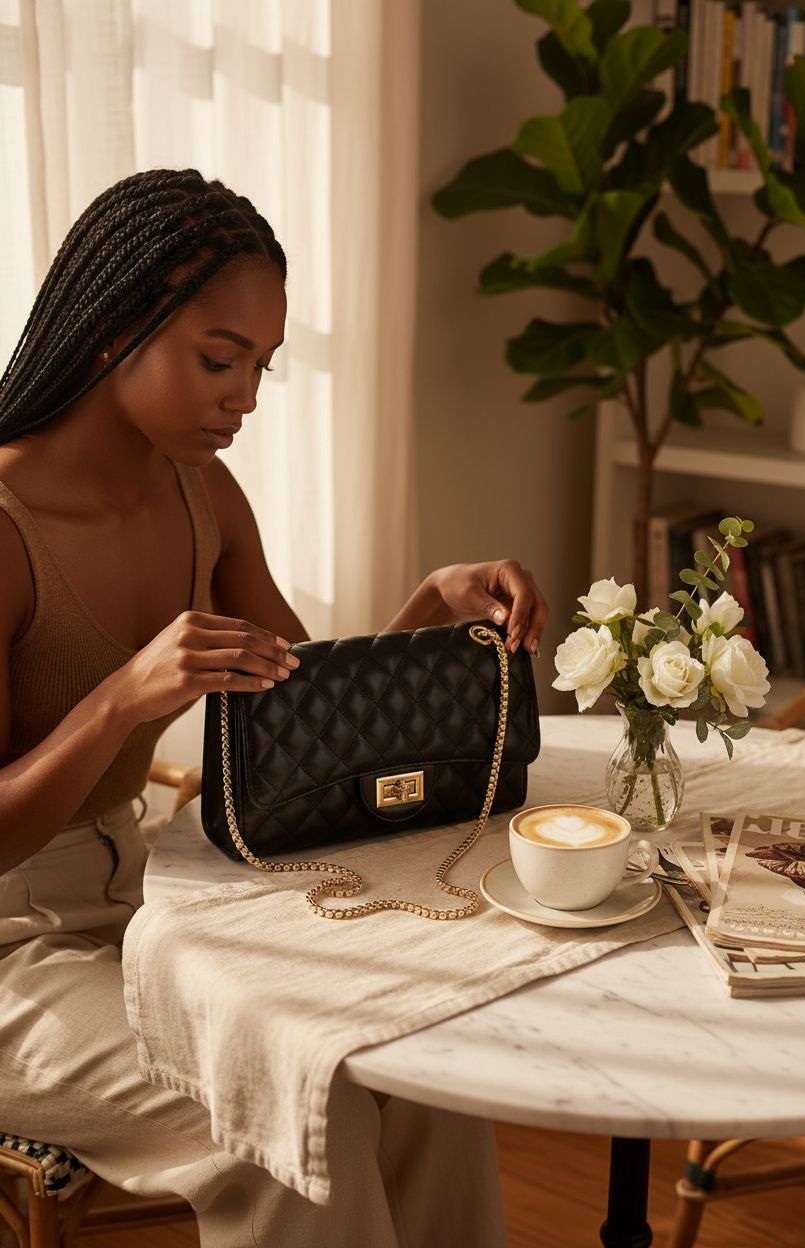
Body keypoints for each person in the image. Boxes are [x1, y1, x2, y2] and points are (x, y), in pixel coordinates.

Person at [0, 168, 548, 1247]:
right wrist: (118, 703)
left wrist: (432, 606)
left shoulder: (204, 496)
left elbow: (312, 712)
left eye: (260, 365)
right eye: (219, 358)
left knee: (413, 1060)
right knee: (292, 1116)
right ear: (113, 329)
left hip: (161, 902)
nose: (243, 394)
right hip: (12, 954)